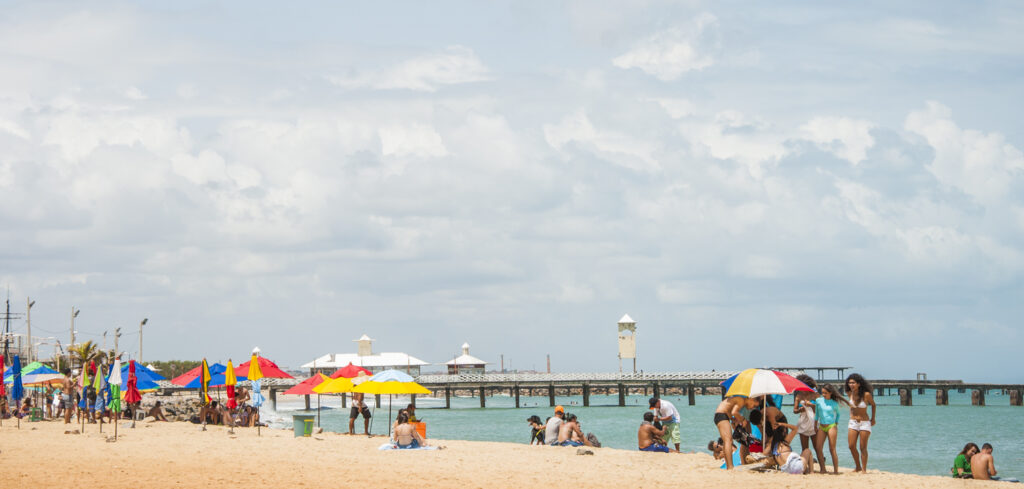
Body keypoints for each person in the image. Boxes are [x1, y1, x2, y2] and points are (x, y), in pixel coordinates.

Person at [714, 395, 761, 469]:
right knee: (728, 441)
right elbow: (734, 412)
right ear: (751, 399)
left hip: (721, 415)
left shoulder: (738, 400)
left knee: (727, 441)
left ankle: (729, 466)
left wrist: (733, 420)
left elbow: (728, 410)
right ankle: (730, 467)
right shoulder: (741, 400)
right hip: (721, 415)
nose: (753, 408)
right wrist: (742, 420)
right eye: (754, 405)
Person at [813, 383, 849, 474]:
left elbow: (838, 414)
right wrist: (815, 425)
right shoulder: (818, 401)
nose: (823, 395)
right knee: (818, 447)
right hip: (821, 426)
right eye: (822, 393)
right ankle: (823, 469)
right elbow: (817, 414)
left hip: (831, 426)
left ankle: (836, 471)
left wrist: (836, 422)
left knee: (832, 449)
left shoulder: (834, 403)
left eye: (825, 393)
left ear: (830, 393)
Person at [845, 373, 876, 472]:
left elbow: (873, 405)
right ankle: (857, 466)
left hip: (864, 422)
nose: (851, 385)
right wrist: (851, 414)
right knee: (851, 446)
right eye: (849, 383)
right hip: (853, 422)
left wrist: (873, 419)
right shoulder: (849, 393)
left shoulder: (866, 395)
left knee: (863, 447)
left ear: (859, 384)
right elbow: (850, 406)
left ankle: (863, 469)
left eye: (853, 383)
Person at [793, 375, 818, 456]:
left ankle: (822, 465)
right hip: (803, 421)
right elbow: (795, 410)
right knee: (804, 448)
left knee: (817, 447)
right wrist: (800, 410)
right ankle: (805, 466)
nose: (802, 390)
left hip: (814, 422)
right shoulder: (799, 396)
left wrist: (811, 405)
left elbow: (820, 408)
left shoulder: (815, 395)